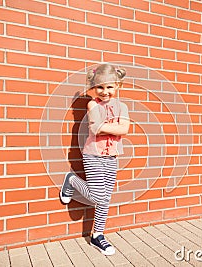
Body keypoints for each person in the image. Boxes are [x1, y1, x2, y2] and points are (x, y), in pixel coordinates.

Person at [59, 64, 130, 255]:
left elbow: (125, 129)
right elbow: (95, 129)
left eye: (109, 87)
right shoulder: (92, 104)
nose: (105, 91)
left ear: (117, 86)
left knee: (105, 199)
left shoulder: (122, 106)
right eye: (100, 87)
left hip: (112, 157)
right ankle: (71, 180)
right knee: (97, 196)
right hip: (93, 155)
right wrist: (111, 126)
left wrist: (105, 125)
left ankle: (97, 235)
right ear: (94, 88)